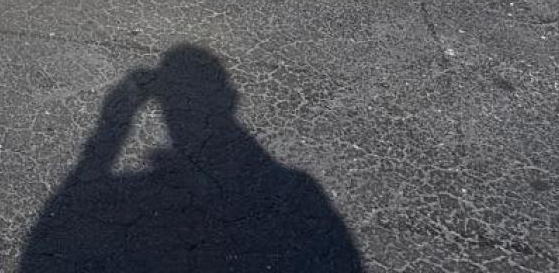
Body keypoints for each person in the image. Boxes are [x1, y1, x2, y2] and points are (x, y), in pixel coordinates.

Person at [19, 45, 364, 272]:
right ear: (230, 98)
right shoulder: (300, 193)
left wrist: (117, 118)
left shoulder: (300, 192)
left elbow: (69, 205)